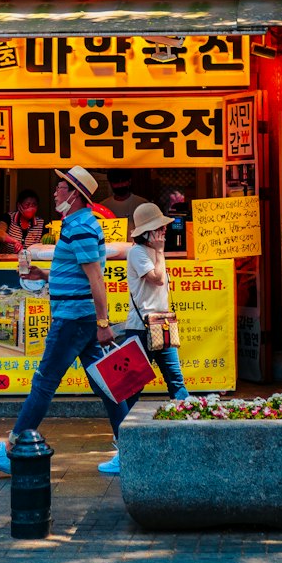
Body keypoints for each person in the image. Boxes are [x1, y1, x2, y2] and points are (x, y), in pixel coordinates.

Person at [0, 166, 128, 475]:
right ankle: (131, 449)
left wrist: (103, 322)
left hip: (73, 320)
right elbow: (80, 274)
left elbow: (96, 278)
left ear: (74, 195)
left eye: (61, 188)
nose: (55, 192)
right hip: (78, 318)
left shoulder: (79, 226)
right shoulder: (77, 224)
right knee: (103, 383)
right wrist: (44, 275)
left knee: (44, 383)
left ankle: (13, 450)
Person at [97, 200, 190, 476]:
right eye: (159, 229)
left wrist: (159, 251)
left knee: (175, 382)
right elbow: (158, 280)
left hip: (160, 325)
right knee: (129, 389)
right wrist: (161, 253)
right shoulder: (140, 253)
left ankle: (190, 434)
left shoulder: (149, 250)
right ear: (147, 233)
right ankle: (126, 447)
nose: (164, 232)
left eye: (163, 228)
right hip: (142, 327)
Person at [0, 186, 45, 254]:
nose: (31, 207)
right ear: (19, 205)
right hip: (7, 260)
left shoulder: (41, 223)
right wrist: (14, 241)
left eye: (34, 205)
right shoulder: (8, 217)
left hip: (30, 262)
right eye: (27, 204)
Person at [100, 172, 149, 241]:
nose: (120, 185)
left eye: (123, 181)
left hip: (137, 246)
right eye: (116, 182)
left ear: (129, 181)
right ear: (110, 184)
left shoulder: (142, 203)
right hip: (112, 247)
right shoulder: (103, 206)